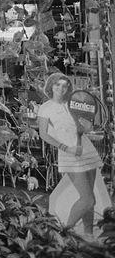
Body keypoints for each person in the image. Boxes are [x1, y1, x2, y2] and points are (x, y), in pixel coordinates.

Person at [37, 72, 103, 237]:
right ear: (51, 86)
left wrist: (87, 125)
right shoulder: (45, 107)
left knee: (90, 198)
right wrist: (67, 148)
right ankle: (63, 233)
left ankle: (88, 234)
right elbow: (44, 134)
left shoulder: (73, 104)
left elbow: (86, 127)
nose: (61, 88)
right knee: (88, 200)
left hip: (86, 150)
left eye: (65, 85)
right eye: (57, 84)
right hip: (70, 153)